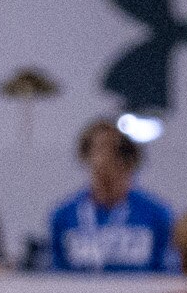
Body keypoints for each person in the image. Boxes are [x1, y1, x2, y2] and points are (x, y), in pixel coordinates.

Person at [45, 117, 176, 275]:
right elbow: (56, 274)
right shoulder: (64, 216)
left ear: (129, 158)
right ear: (86, 156)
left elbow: (167, 273)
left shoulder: (157, 215)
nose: (105, 159)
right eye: (98, 149)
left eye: (114, 150)